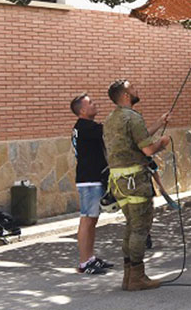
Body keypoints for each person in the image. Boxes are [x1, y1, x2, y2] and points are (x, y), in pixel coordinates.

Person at [104, 79, 171, 291]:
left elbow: (137, 139)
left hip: (118, 181)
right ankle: (138, 276)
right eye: (132, 88)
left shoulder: (111, 119)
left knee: (131, 225)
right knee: (140, 228)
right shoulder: (133, 117)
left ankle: (128, 276)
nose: (136, 90)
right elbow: (148, 150)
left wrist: (159, 123)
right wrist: (163, 142)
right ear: (125, 95)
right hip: (135, 180)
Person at [71, 93, 112, 275]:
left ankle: (90, 257)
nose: (95, 105)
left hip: (93, 178)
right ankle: (84, 262)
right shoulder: (86, 127)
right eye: (91, 103)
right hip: (89, 180)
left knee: (92, 220)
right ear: (82, 110)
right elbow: (109, 130)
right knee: (87, 220)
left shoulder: (84, 127)